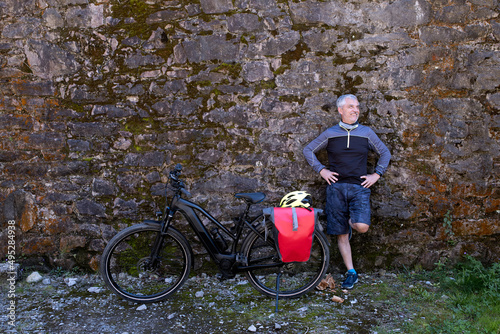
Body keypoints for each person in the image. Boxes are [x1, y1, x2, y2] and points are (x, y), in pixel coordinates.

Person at [303, 94, 391, 289]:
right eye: (351, 106)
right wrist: (322, 170)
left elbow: (385, 153)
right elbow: (308, 150)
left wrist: (376, 175)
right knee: (340, 234)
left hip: (360, 188)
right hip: (336, 188)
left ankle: (352, 223)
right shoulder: (330, 133)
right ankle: (351, 272)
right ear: (340, 110)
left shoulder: (366, 133)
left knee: (361, 226)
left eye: (357, 106)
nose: (356, 110)